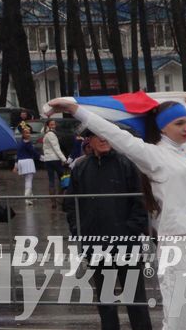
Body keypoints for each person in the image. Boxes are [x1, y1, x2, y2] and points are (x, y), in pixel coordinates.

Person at [48, 93, 186, 330]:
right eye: (179, 124)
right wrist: (76, 110)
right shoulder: (152, 155)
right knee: (178, 322)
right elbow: (115, 135)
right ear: (163, 128)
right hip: (178, 247)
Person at [63, 129, 152, 330]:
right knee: (106, 302)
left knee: (136, 301)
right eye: (97, 135)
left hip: (126, 246)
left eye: (106, 134)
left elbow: (141, 202)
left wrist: (129, 232)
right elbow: (71, 205)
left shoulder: (127, 164)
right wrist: (80, 232)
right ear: (89, 140)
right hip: (96, 246)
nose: (103, 139)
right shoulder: (81, 168)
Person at [41, 119, 66, 209]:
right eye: (51, 124)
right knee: (63, 178)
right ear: (48, 125)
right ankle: (61, 198)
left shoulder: (46, 134)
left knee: (51, 180)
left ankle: (54, 201)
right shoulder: (51, 134)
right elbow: (56, 148)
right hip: (55, 159)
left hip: (48, 160)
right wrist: (64, 159)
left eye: (54, 124)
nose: (53, 126)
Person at [14, 125, 38, 206]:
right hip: (27, 162)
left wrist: (16, 165)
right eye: (27, 133)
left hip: (21, 162)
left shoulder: (20, 143)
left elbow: (17, 154)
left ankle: (31, 195)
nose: (29, 134)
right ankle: (27, 199)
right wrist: (42, 157)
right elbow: (33, 152)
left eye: (29, 133)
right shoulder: (28, 143)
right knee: (29, 180)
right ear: (23, 134)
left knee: (27, 180)